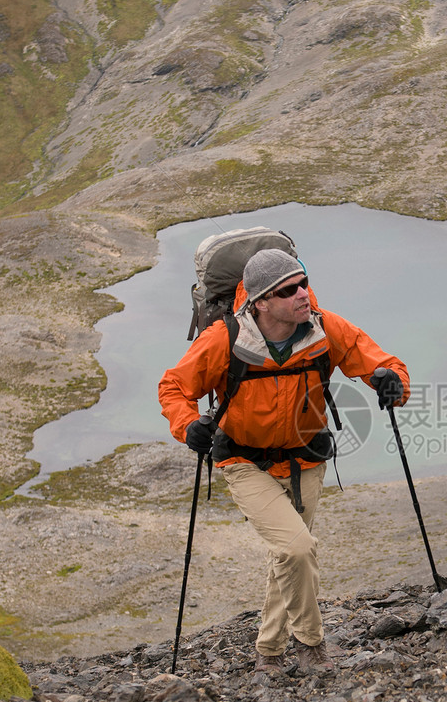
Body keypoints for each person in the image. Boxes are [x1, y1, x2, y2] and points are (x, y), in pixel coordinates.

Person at [159, 248, 409, 676]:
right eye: (288, 290)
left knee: (289, 555)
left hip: (307, 459)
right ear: (261, 302)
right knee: (297, 547)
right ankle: (311, 647)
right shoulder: (225, 338)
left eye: (304, 283)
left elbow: (381, 364)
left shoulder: (325, 328)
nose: (303, 295)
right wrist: (187, 426)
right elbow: (173, 387)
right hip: (243, 461)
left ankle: (268, 654)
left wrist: (392, 383)